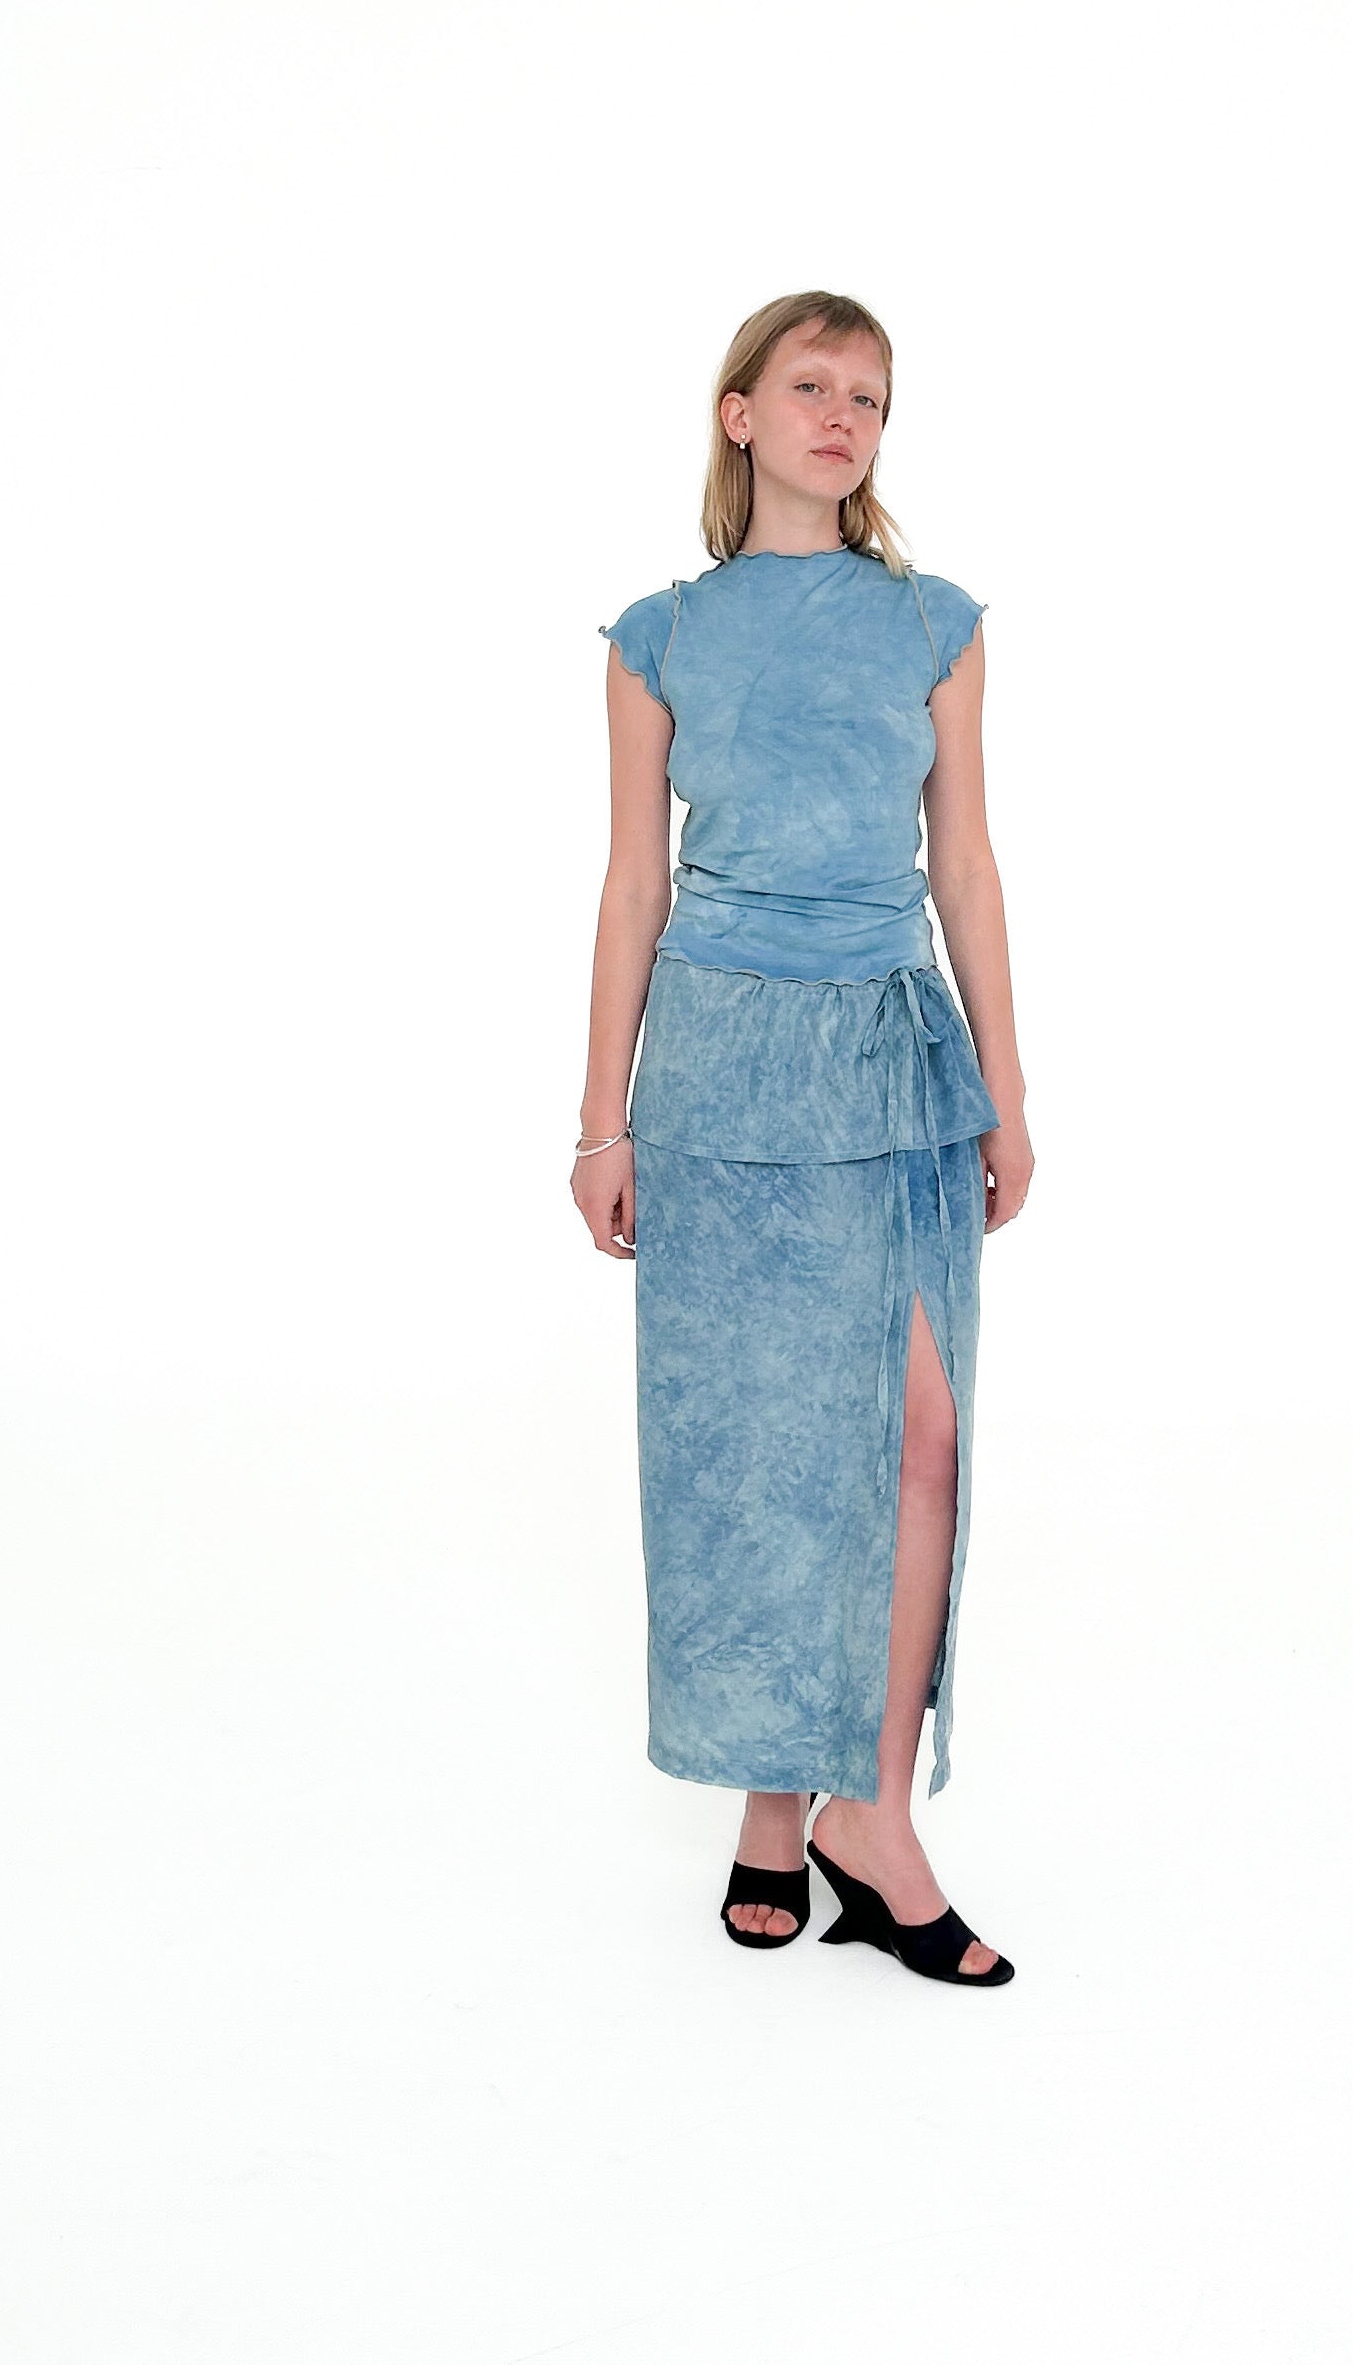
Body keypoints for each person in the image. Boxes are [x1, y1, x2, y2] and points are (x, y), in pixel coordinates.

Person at [571, 291, 1034, 1987]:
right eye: (814, 386)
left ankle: (871, 1813)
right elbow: (633, 884)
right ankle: (774, 1805)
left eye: (872, 398)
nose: (845, 418)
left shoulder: (933, 625)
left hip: (892, 1062)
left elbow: (964, 863)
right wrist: (600, 1121)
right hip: (719, 1067)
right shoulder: (659, 637)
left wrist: (1008, 1091)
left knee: (917, 1435)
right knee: (760, 1443)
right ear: (742, 414)